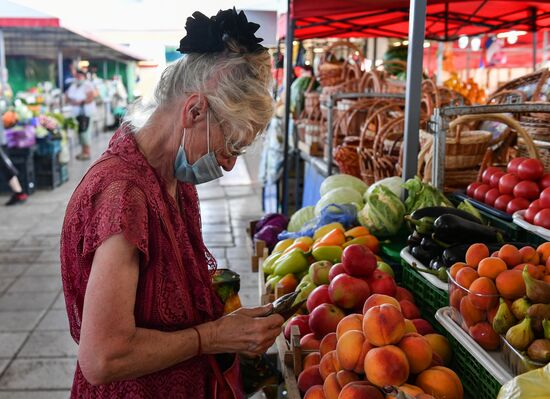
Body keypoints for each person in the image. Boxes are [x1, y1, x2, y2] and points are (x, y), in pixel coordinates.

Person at [60, 8, 282, 398]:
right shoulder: (123, 196)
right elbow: (103, 358)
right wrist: (213, 336)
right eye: (230, 144)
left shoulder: (173, 178)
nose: (229, 163)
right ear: (194, 111)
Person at [66, 69, 97, 160]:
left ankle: (87, 152)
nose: (78, 78)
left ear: (84, 77)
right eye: (77, 76)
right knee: (80, 133)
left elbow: (90, 98)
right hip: (77, 114)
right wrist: (74, 102)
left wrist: (80, 102)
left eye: (80, 76)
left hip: (86, 113)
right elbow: (67, 97)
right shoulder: (74, 85)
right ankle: (83, 151)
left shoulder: (88, 85)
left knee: (85, 132)